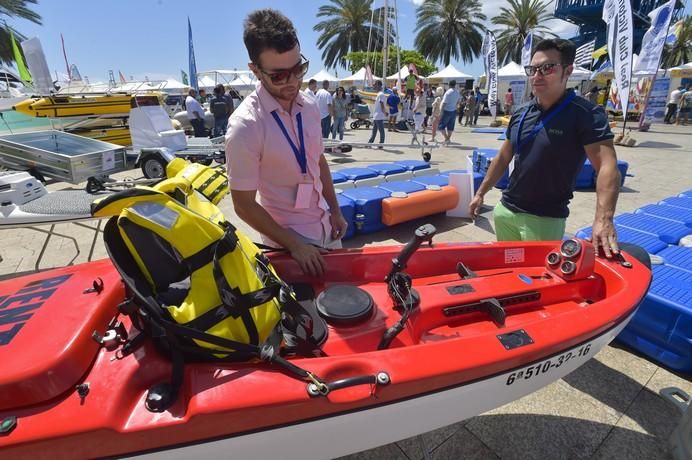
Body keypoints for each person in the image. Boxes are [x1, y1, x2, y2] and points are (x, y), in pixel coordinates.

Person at [469, 38, 621, 258]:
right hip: (506, 211)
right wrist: (480, 193)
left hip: (544, 220)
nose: (537, 75)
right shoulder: (522, 112)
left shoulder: (585, 114)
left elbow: (607, 165)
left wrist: (603, 219)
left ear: (567, 71)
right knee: (510, 273)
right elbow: (503, 157)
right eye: (533, 69)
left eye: (547, 68)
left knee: (538, 280)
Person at [225, 9, 348, 277]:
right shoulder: (246, 125)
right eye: (279, 75)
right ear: (255, 70)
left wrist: (335, 211)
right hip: (290, 245)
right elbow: (243, 204)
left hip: (327, 227)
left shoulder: (311, 106)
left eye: (298, 69)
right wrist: (295, 246)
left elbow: (318, 161)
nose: (292, 81)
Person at [438, 80, 461, 145]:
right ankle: (448, 139)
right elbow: (458, 102)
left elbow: (444, 103)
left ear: (449, 84)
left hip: (446, 111)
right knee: (450, 127)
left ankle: (446, 138)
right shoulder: (457, 92)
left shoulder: (448, 92)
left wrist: (441, 112)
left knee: (441, 126)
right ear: (455, 85)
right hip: (453, 111)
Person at [368, 80, 387, 147]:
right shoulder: (380, 94)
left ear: (379, 85)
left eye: (375, 85)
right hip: (377, 116)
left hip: (379, 115)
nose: (374, 86)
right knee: (374, 131)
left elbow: (382, 104)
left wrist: (385, 112)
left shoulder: (381, 94)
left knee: (380, 131)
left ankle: (380, 144)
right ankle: (370, 143)